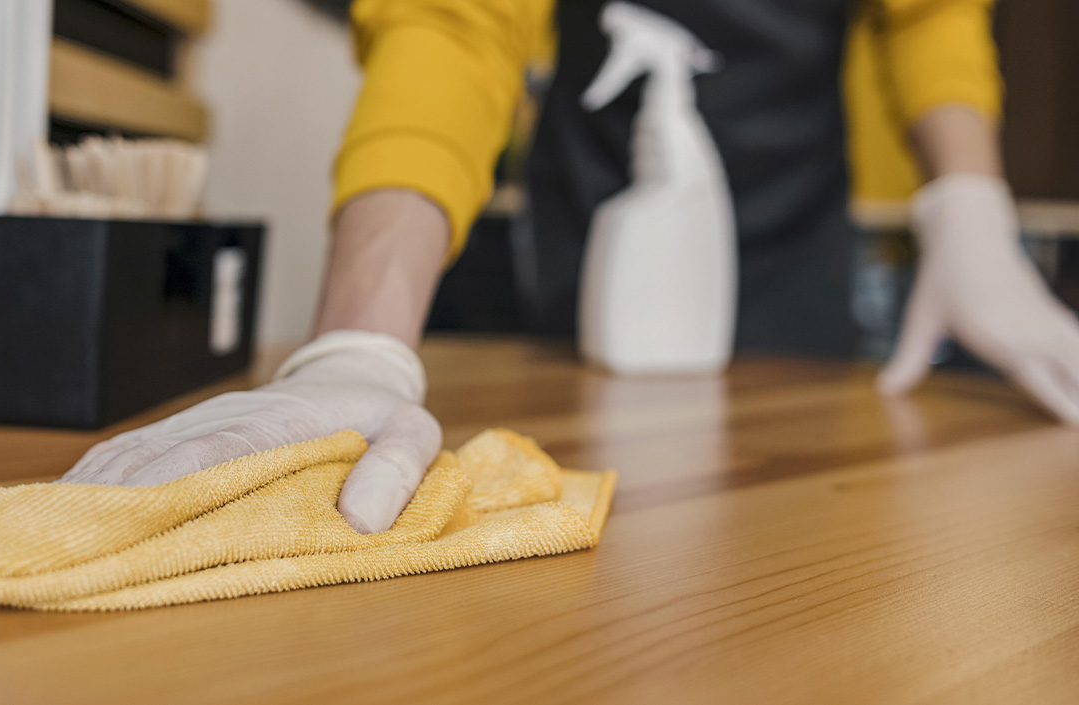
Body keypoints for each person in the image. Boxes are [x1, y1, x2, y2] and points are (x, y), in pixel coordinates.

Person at [62, 0, 1079, 534]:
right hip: (594, 228)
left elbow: (932, 12)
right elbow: (450, 25)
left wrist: (969, 204)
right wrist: (361, 339)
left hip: (793, 235)